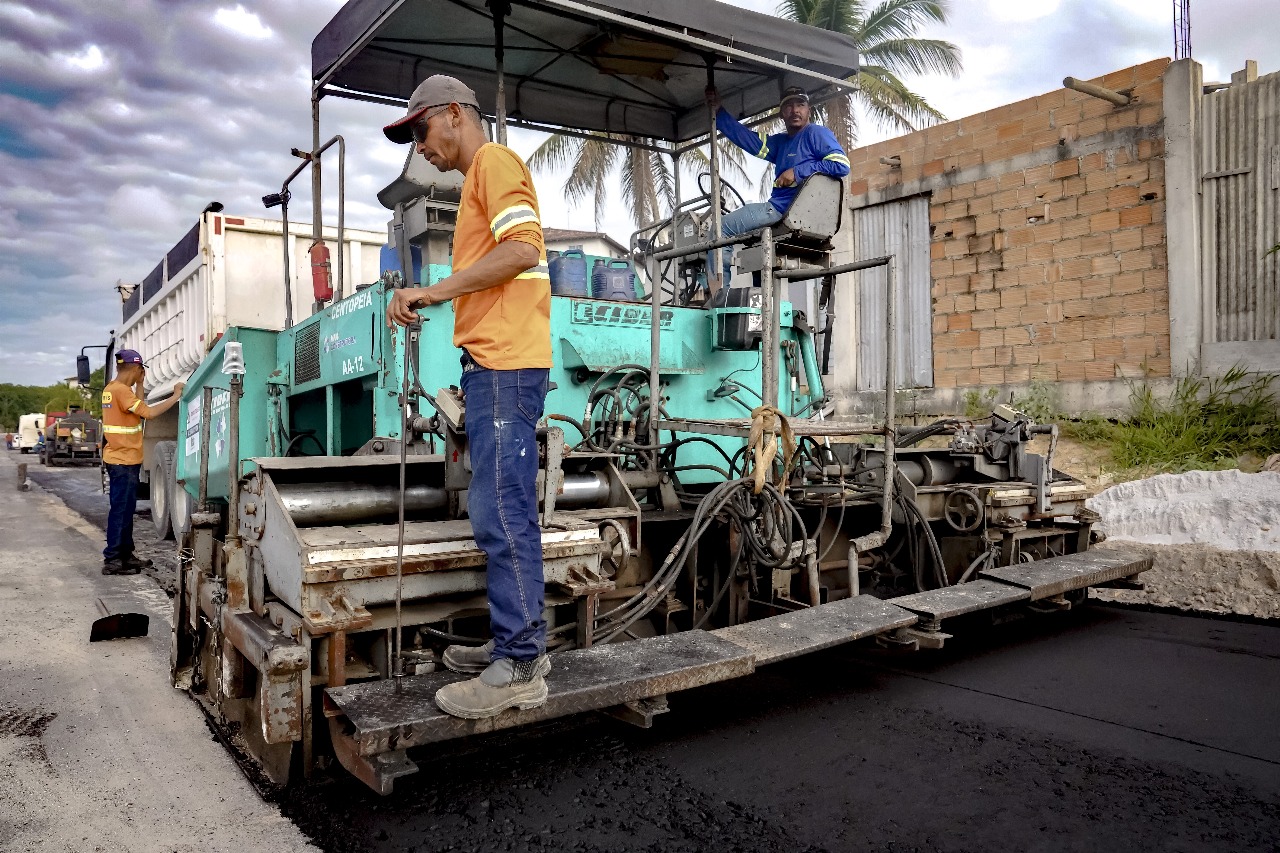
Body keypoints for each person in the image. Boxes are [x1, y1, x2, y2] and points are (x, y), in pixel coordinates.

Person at [383, 75, 553, 719]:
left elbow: (523, 248)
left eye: (420, 130)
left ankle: (519, 664)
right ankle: (517, 644)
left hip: (505, 365)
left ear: (454, 113)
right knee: (500, 511)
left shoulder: (494, 162)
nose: (420, 148)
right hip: (494, 365)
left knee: (502, 513)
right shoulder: (480, 175)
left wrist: (432, 291)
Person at [705, 86, 851, 284]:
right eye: (789, 106)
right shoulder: (781, 142)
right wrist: (719, 112)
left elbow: (841, 164)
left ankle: (718, 293)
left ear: (808, 110)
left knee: (721, 229)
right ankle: (761, 299)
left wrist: (797, 172)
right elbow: (749, 140)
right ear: (782, 114)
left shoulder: (816, 133)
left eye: (800, 105)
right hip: (782, 211)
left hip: (782, 210)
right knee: (756, 251)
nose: (795, 110)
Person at [100, 350, 184, 575]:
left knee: (125, 510)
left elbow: (137, 408)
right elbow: (148, 413)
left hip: (121, 459)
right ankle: (113, 559)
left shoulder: (113, 389)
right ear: (137, 368)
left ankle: (125, 555)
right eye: (140, 371)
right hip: (123, 460)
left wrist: (140, 384)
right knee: (121, 511)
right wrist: (175, 396)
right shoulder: (121, 391)